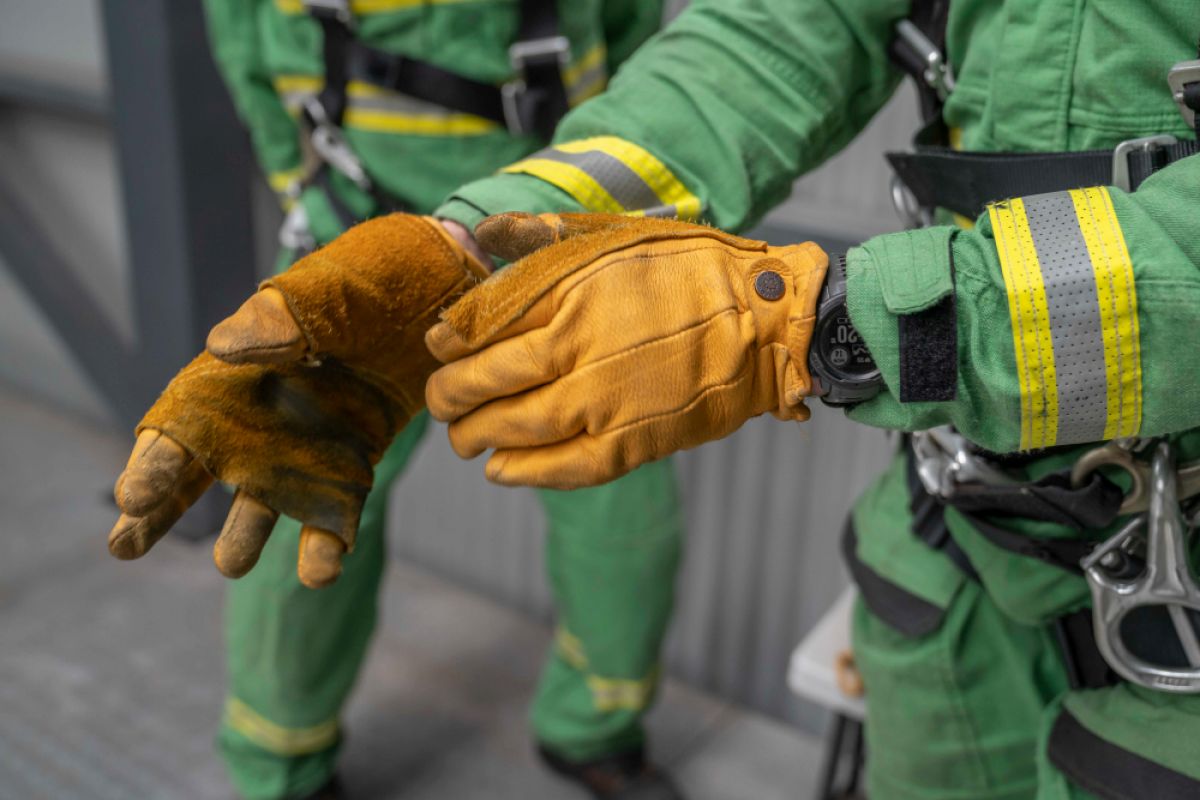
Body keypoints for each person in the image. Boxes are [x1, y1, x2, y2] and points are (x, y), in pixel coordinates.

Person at [111, 0, 1200, 797]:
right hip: (960, 559)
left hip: (1176, 661)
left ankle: (595, 728)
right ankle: (276, 758)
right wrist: (473, 248)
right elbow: (774, 42)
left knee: (620, 532)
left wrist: (818, 324)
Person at [193, 2, 687, 797]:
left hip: (548, 235)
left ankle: (594, 725)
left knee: (625, 514)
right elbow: (245, 34)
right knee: (297, 506)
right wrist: (302, 183)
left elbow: (631, 41)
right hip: (359, 223)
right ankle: (280, 766)